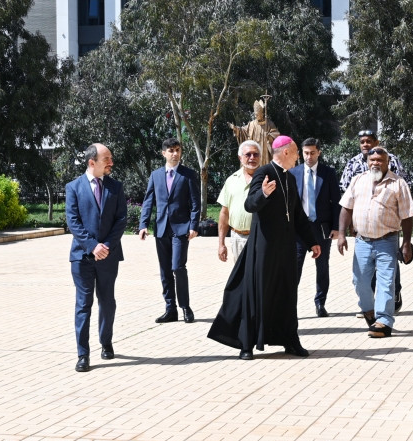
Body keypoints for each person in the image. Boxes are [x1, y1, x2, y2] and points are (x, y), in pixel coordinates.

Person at [208, 136, 321, 360]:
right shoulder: (264, 173)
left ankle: (290, 340)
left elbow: (298, 215)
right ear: (286, 152)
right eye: (297, 151)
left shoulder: (289, 178)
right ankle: (247, 344)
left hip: (286, 247)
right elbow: (250, 205)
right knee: (257, 293)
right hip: (264, 247)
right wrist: (264, 193)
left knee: (287, 294)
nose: (299, 155)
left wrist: (312, 241)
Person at [337, 147, 413, 338]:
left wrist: (406, 243)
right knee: (359, 281)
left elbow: (407, 216)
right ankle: (368, 310)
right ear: (367, 161)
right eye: (372, 160)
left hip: (387, 241)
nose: (375, 163)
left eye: (380, 160)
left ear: (387, 162)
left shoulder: (398, 183)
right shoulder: (358, 180)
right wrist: (341, 234)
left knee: (386, 282)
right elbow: (346, 207)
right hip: (362, 241)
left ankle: (384, 321)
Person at [65, 143, 128, 373]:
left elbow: (121, 219)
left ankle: (106, 342)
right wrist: (92, 246)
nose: (111, 162)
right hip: (82, 257)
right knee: (83, 305)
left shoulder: (115, 187)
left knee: (107, 302)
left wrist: (107, 246)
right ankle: (83, 354)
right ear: (92, 162)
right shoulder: (73, 187)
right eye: (106, 159)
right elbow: (73, 222)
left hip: (109, 256)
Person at [339, 129, 407, 314]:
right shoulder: (353, 164)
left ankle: (390, 302)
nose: (365, 144)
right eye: (362, 142)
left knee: (388, 273)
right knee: (361, 276)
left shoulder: (391, 159)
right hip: (362, 232)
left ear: (377, 141)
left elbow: (401, 190)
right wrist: (346, 228)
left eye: (369, 141)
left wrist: (407, 241)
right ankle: (369, 307)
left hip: (387, 230)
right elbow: (346, 196)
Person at [139, 138, 201, 324]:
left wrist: (193, 226)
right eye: (171, 150)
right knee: (165, 270)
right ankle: (170, 309)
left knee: (177, 267)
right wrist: (143, 225)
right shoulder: (155, 175)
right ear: (163, 153)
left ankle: (185, 307)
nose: (175, 153)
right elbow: (149, 201)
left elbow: (195, 203)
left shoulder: (188, 175)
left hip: (181, 229)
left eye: (177, 150)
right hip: (161, 229)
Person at [290, 138, 341, 317]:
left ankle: (320, 303)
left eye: (312, 153)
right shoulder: (292, 173)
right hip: (299, 230)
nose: (309, 156)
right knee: (294, 267)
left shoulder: (328, 173)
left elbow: (336, 202)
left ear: (319, 152)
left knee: (322, 266)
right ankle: (290, 306)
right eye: (305, 153)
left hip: (321, 228)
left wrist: (336, 227)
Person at [218, 140, 261, 264]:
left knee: (259, 277)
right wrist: (221, 243)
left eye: (256, 154)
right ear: (240, 157)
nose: (252, 158)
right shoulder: (231, 181)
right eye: (248, 154)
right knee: (241, 278)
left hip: (260, 238)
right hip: (237, 238)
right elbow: (224, 213)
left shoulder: (267, 179)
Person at [229, 98, 280, 166]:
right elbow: (243, 131)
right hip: (253, 149)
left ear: (262, 113)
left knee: (264, 164)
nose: (256, 116)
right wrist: (236, 129)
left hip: (264, 150)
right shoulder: (251, 124)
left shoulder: (269, 123)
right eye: (255, 114)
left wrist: (269, 136)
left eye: (258, 114)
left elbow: (276, 135)